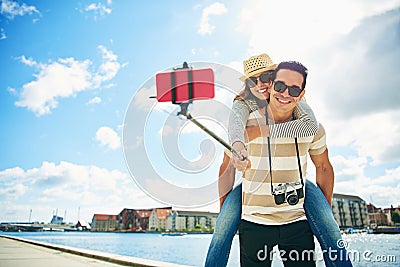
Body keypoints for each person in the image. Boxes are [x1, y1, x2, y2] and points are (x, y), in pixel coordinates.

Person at [204, 54, 352, 267]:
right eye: (253, 81)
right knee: (222, 227)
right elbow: (229, 158)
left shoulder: (303, 113)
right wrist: (237, 145)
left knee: (329, 228)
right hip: (254, 211)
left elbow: (320, 156)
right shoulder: (244, 110)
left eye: (266, 77)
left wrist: (321, 212)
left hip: (297, 207)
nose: (261, 85)